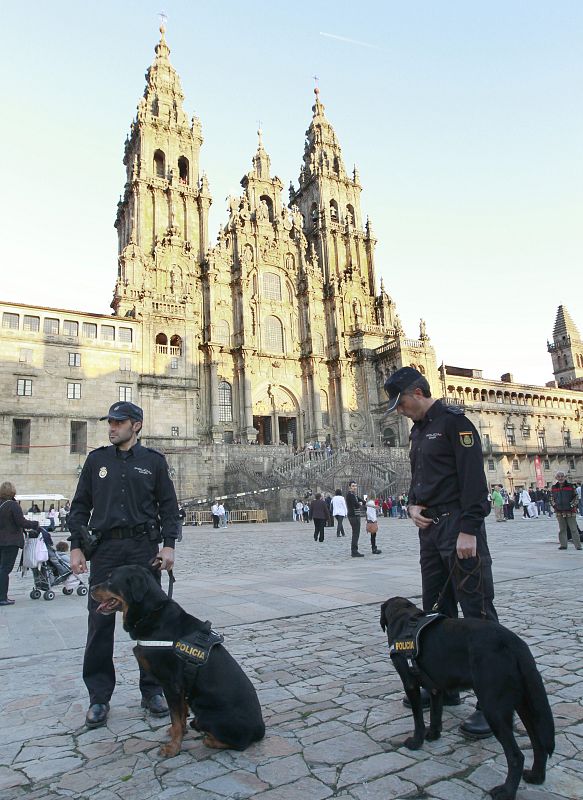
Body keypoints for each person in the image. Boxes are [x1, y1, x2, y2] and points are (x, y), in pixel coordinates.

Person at [384, 366, 498, 739]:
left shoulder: (455, 424)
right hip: (430, 530)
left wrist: (469, 530)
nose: (399, 411)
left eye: (400, 403)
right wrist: (412, 506)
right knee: (437, 609)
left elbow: (473, 481)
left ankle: (493, 701)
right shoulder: (418, 432)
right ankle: (446, 686)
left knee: (476, 609)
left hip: (457, 527)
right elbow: (421, 479)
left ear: (418, 392)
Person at [68, 401, 179, 730]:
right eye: (110, 422)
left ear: (137, 425)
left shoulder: (153, 462)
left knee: (150, 625)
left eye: (119, 422)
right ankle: (99, 697)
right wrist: (76, 546)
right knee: (99, 626)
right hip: (105, 552)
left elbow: (169, 507)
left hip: (143, 550)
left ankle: (153, 690)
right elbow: (79, 508)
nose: (112, 427)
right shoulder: (96, 460)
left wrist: (169, 544)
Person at [0, 481, 40, 606]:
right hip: (10, 542)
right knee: (5, 570)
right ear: (12, 491)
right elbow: (21, 522)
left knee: (1, 569)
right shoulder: (13, 505)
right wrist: (35, 524)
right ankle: (2, 597)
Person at [550, 471, 581, 550]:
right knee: (562, 529)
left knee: (573, 529)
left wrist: (572, 505)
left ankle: (578, 546)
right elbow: (551, 498)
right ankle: (563, 545)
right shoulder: (554, 487)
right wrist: (555, 506)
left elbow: (576, 497)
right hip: (559, 511)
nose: (560, 478)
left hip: (570, 511)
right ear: (556, 478)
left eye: (562, 476)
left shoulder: (570, 486)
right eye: (559, 476)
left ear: (565, 477)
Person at [345, 480, 365, 557]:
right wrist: (359, 503)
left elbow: (362, 501)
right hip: (353, 516)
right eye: (353, 486)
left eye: (355, 486)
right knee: (355, 534)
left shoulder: (354, 495)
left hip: (355, 515)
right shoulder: (350, 495)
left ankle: (354, 550)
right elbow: (356, 505)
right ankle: (354, 551)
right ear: (349, 487)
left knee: (356, 533)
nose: (354, 487)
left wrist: (364, 502)